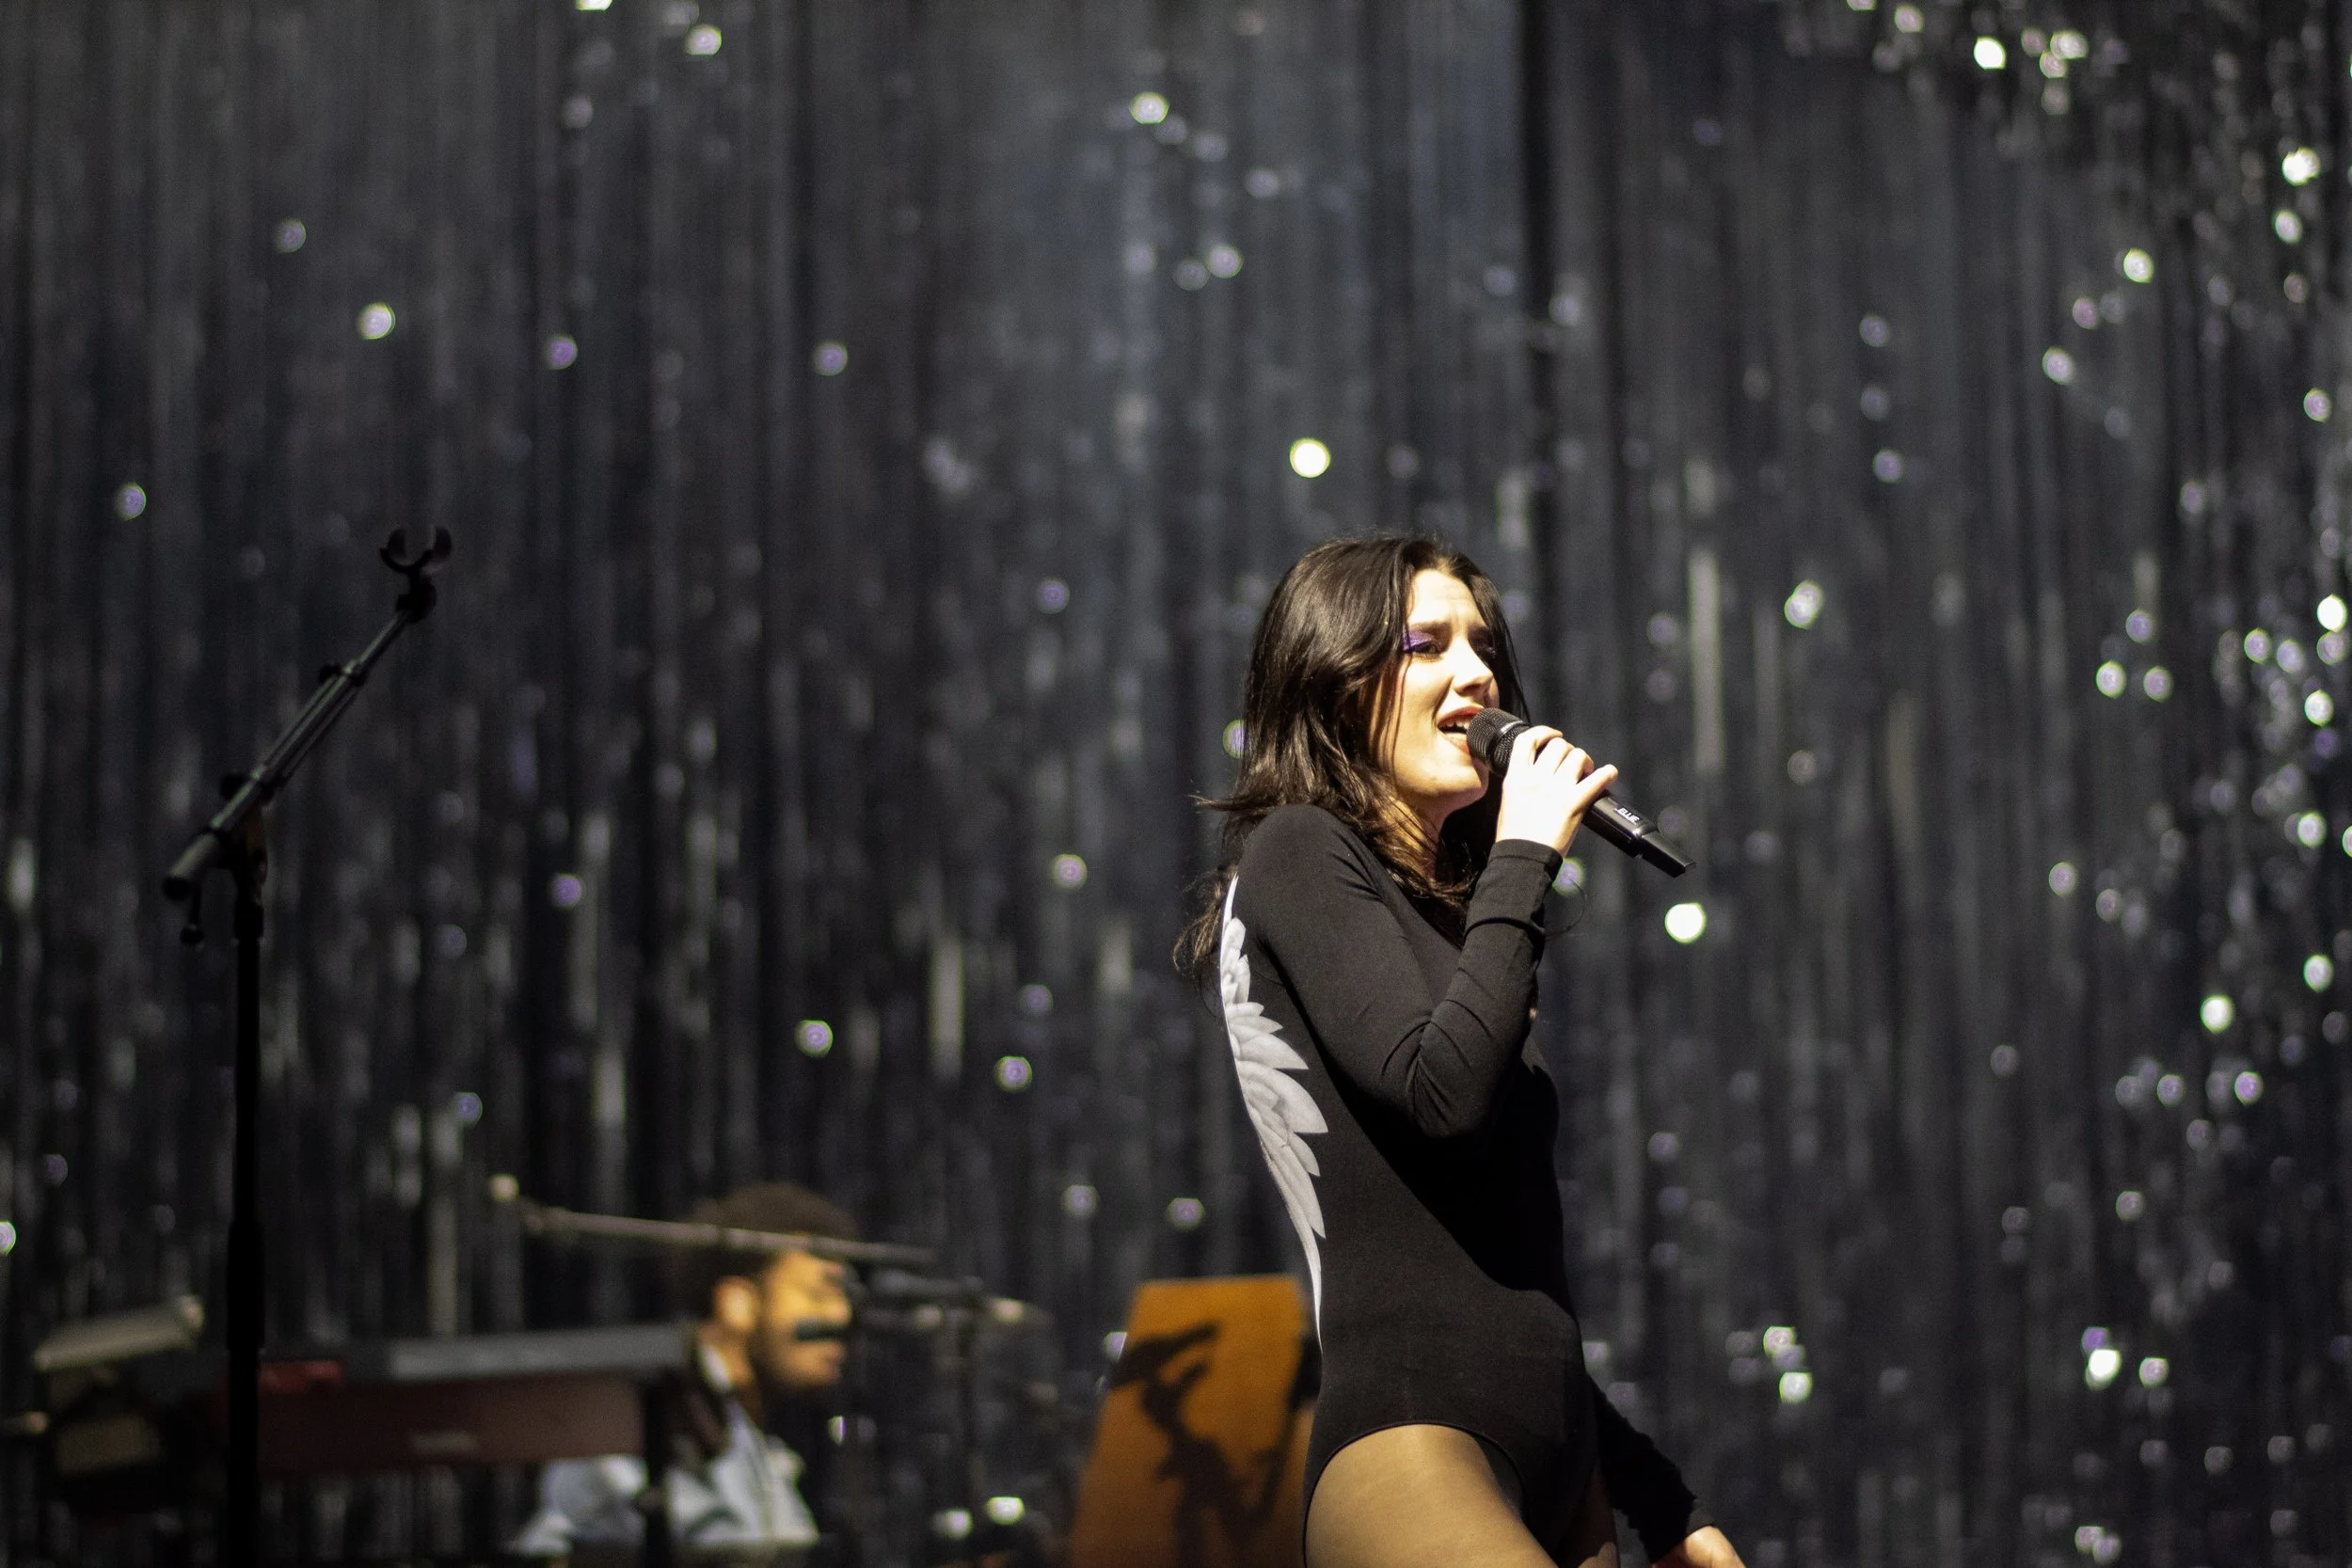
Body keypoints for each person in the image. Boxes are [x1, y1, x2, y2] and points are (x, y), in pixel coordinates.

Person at [1182, 536, 1746, 1568]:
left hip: (1561, 1466)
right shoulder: (1299, 848)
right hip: (1415, 1443)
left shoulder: (1456, 932)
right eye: (1423, 643)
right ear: (1333, 673)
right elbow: (1439, 1094)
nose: (1476, 672)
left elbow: (1503, 1269)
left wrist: (1659, 1496)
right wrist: (1526, 857)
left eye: (1483, 643)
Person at [510, 1182, 858, 1560]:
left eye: (842, 1297)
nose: (841, 1315)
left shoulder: (748, 1438)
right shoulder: (647, 1412)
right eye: (818, 1294)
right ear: (738, 1302)